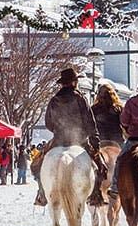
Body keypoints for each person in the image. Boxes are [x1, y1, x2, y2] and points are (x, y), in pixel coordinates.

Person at [32, 67, 109, 207]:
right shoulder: (80, 98)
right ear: (74, 82)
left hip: (58, 140)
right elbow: (89, 122)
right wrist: (94, 140)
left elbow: (48, 123)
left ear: (62, 83)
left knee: (37, 164)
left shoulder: (54, 100)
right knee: (100, 166)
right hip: (79, 140)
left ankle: (42, 193)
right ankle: (96, 194)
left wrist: (57, 130)